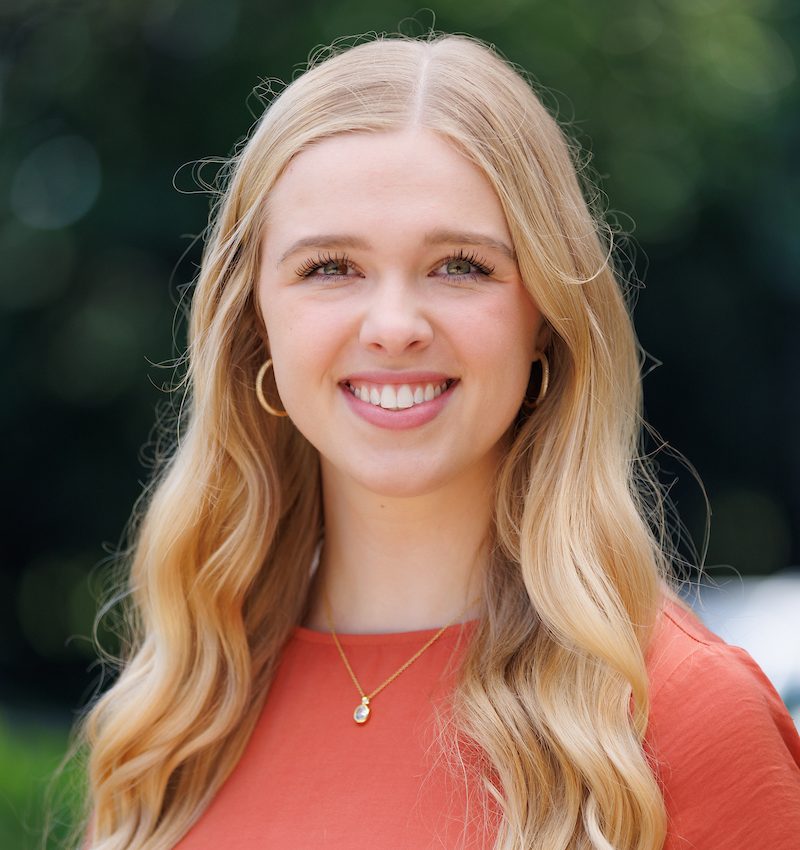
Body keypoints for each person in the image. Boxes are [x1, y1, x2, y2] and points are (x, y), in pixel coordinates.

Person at [74, 32, 800, 850]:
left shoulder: (690, 720)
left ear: (546, 323)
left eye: (460, 265)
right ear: (255, 327)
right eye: (329, 268)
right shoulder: (176, 716)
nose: (393, 328)